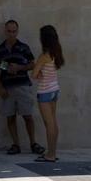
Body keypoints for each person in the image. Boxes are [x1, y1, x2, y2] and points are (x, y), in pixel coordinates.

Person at [0, 20, 45, 155]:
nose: (11, 34)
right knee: (10, 117)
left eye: (14, 31)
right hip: (7, 88)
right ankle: (16, 144)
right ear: (5, 31)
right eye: (9, 31)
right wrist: (0, 87)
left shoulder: (23, 47)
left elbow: (32, 64)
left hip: (22, 86)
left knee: (27, 116)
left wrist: (20, 67)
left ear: (17, 31)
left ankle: (33, 143)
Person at [32, 25, 64, 162]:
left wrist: (37, 70)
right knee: (53, 122)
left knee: (49, 123)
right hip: (54, 90)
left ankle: (50, 154)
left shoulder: (44, 55)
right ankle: (52, 152)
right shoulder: (56, 52)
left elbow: (34, 74)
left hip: (45, 91)